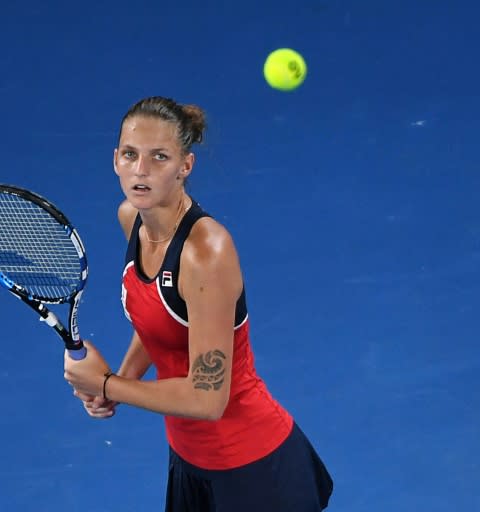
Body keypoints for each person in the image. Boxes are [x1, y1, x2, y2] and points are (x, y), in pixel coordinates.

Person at [63, 96, 333, 511]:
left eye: (159, 157)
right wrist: (122, 378)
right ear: (115, 159)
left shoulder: (206, 253)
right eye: (131, 155)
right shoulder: (131, 219)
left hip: (252, 467)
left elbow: (208, 400)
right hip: (190, 460)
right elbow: (158, 320)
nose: (141, 170)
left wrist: (105, 384)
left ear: (185, 166)